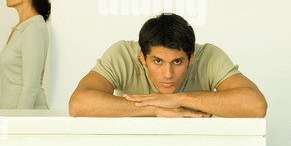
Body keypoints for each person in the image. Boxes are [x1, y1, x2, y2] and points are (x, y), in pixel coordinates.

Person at [69, 13, 267, 118]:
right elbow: (79, 103)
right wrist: (155, 108)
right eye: (157, 61)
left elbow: (255, 106)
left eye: (178, 62)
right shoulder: (122, 53)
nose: (167, 74)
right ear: (142, 57)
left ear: (191, 57)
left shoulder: (209, 56)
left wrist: (178, 99)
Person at [0, 0, 50, 109]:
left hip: (25, 121)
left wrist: (19, 124)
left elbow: (31, 88)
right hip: (11, 120)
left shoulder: (34, 29)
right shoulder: (20, 29)